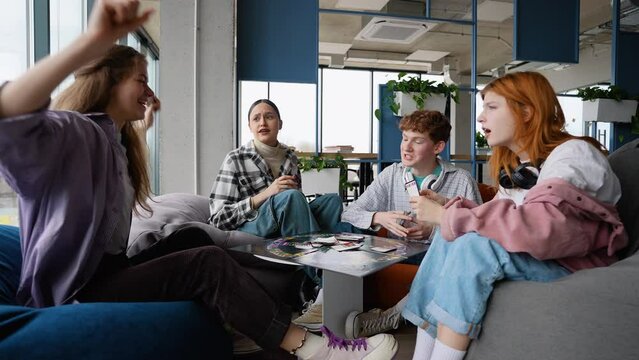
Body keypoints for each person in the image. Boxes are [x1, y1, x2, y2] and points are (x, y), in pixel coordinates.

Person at [0, 1, 398, 359]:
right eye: (140, 79)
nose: (150, 89)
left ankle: (267, 315)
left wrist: (142, 128)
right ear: (107, 81)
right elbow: (9, 115)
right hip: (76, 292)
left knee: (193, 237)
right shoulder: (75, 133)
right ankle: (314, 347)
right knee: (207, 261)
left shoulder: (113, 141)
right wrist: (92, 41)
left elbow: (108, 171)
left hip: (109, 269)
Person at [403, 71, 628, 360]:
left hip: (572, 264)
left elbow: (542, 229)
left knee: (472, 246)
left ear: (526, 111)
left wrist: (450, 217)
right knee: (449, 238)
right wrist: (448, 208)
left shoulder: (574, 155)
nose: (481, 118)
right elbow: (501, 218)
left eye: (492, 107)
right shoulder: (522, 167)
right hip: (540, 256)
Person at [294, 110, 483, 335]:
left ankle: (391, 316)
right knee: (345, 230)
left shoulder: (461, 180)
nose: (406, 147)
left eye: (417, 141)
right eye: (405, 138)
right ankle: (323, 300)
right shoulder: (392, 174)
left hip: (434, 254)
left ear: (438, 147)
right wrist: (378, 217)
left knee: (453, 251)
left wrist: (433, 231)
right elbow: (350, 213)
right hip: (394, 251)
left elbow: (477, 234)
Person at [208, 98, 342, 238]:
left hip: (283, 220)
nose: (262, 123)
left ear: (280, 124)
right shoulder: (235, 159)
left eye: (269, 117)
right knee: (291, 196)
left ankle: (324, 247)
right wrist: (266, 194)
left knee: (332, 201)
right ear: (250, 126)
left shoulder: (291, 158)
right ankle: (312, 251)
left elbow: (296, 202)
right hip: (252, 222)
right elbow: (218, 219)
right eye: (256, 119)